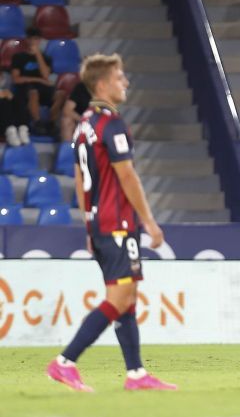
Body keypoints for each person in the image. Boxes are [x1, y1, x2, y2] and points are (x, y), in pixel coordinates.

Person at [46, 54, 175, 392]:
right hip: (117, 222)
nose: (125, 82)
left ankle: (136, 374)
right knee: (119, 299)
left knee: (127, 298)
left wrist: (89, 225)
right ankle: (65, 362)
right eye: (119, 77)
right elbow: (127, 176)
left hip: (100, 223)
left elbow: (80, 180)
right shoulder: (111, 124)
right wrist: (149, 221)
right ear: (102, 85)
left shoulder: (84, 125)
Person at [11, 27, 62, 137]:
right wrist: (38, 79)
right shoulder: (18, 57)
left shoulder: (46, 58)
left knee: (60, 94)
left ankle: (51, 123)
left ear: (40, 40)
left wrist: (38, 54)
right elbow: (16, 79)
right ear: (27, 39)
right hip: (25, 87)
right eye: (31, 39)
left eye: (36, 39)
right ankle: (37, 123)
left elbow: (46, 75)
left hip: (42, 86)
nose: (33, 42)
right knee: (33, 92)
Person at [59, 80, 92, 145]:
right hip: (82, 121)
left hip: (102, 122)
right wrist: (83, 120)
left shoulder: (108, 88)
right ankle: (68, 149)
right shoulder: (81, 86)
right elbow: (67, 109)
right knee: (66, 120)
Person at [1, 70, 28, 146]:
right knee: (4, 102)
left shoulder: (7, 77)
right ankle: (10, 130)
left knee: (18, 100)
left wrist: (9, 95)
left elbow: (9, 93)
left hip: (6, 99)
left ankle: (22, 128)